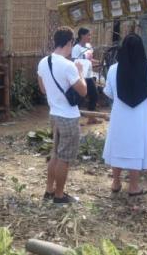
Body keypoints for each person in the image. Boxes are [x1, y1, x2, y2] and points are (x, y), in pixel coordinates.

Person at [102, 33, 147, 195]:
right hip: (141, 114)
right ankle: (134, 186)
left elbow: (109, 92)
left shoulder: (113, 69)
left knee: (118, 145)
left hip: (120, 113)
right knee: (136, 147)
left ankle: (116, 182)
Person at [37, 26, 87, 204]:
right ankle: (59, 195)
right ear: (70, 42)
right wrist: (81, 72)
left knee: (55, 154)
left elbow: (43, 89)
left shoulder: (43, 62)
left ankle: (49, 190)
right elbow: (82, 91)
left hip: (54, 114)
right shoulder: (69, 66)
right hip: (68, 117)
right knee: (64, 158)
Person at [71, 27, 100, 124]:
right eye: (88, 35)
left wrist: (99, 62)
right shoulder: (76, 48)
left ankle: (91, 118)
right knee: (80, 97)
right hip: (81, 76)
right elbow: (74, 61)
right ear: (82, 35)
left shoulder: (89, 46)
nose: (90, 37)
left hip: (89, 75)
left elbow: (89, 59)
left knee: (94, 95)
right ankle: (75, 119)